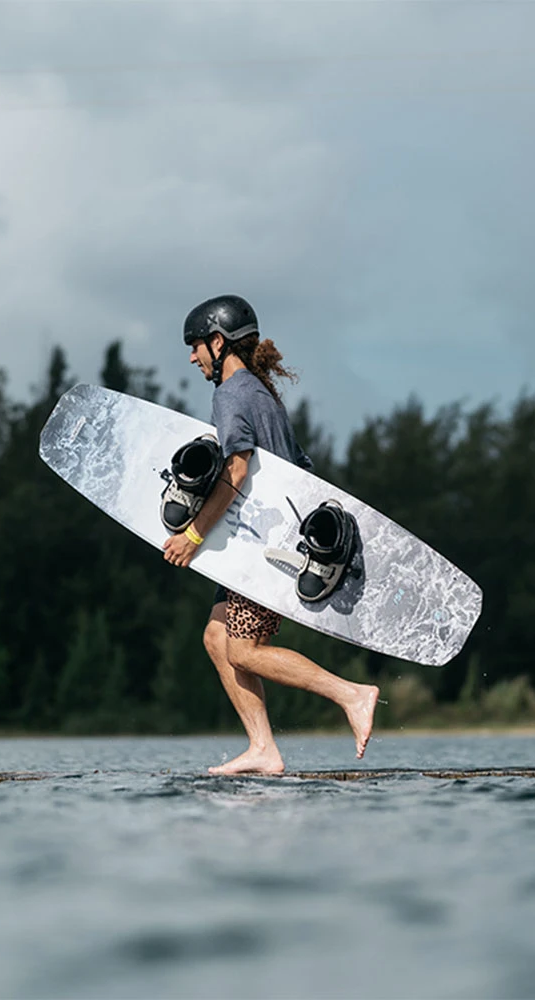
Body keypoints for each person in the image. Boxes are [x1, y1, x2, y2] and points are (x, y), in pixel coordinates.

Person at [162, 294, 378, 775]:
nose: (193, 357)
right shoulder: (261, 393)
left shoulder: (231, 394)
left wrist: (193, 536)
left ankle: (351, 695)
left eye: (196, 346)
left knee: (243, 650)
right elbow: (298, 466)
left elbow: (235, 472)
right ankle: (263, 748)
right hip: (263, 539)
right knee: (217, 636)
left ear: (218, 342)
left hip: (263, 547)